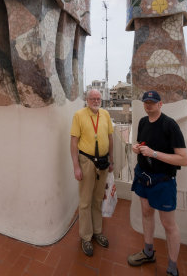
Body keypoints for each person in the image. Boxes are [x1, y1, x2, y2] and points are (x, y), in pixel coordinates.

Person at [128, 90, 187, 276]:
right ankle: (148, 252)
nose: (148, 105)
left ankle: (172, 267)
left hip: (163, 181)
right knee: (146, 213)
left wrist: (154, 154)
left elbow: (183, 159)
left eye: (152, 102)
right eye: (146, 102)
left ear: (160, 104)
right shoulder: (143, 122)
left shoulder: (170, 125)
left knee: (168, 224)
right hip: (143, 177)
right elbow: (141, 143)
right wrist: (136, 148)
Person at [70, 89, 114, 256]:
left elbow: (110, 138)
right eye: (93, 98)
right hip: (87, 161)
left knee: (97, 199)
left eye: (98, 98)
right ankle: (86, 237)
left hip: (103, 162)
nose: (96, 101)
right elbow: (74, 142)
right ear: (87, 100)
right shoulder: (79, 115)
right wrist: (76, 167)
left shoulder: (105, 114)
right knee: (85, 201)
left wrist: (111, 160)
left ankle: (97, 232)